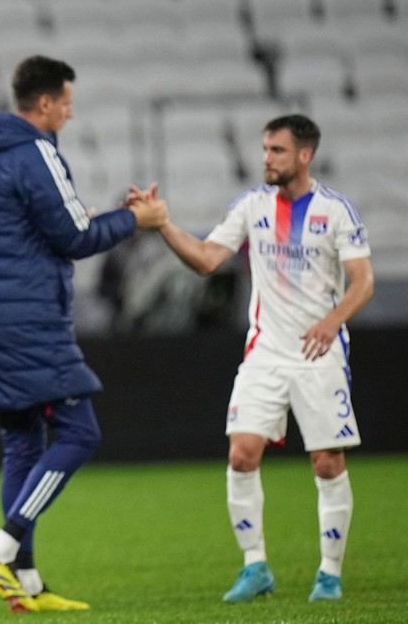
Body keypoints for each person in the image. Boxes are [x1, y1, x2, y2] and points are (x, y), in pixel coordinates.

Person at [0, 55, 167, 613]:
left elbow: (34, 230)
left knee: (22, 443)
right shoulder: (35, 152)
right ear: (45, 103)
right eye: (67, 103)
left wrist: (98, 219)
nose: (70, 114)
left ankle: (25, 586)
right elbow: (75, 239)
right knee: (80, 433)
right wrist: (136, 221)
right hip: (29, 324)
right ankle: (0, 550)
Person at [143, 114, 373, 603]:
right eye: (265, 149)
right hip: (264, 352)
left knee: (327, 464)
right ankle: (255, 567)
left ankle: (329, 574)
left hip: (319, 354)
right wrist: (163, 224)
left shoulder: (335, 211)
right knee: (241, 455)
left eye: (277, 151)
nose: (266, 159)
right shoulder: (252, 206)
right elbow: (207, 259)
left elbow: (363, 280)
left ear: (304, 155)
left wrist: (333, 322)